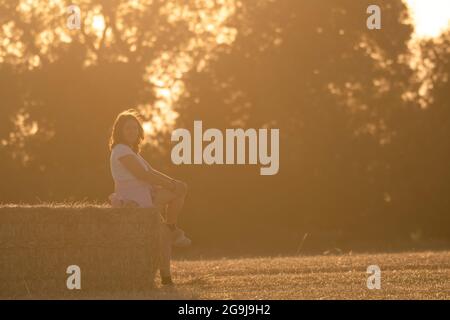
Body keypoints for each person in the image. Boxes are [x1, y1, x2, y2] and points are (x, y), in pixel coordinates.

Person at [108, 109, 191, 285]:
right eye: (127, 128)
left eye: (134, 128)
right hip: (134, 198)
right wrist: (172, 185)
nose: (132, 131)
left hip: (145, 193)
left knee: (179, 194)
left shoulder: (132, 151)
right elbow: (143, 175)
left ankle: (171, 229)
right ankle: (172, 229)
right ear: (119, 131)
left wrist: (173, 182)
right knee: (178, 194)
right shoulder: (121, 150)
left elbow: (151, 171)